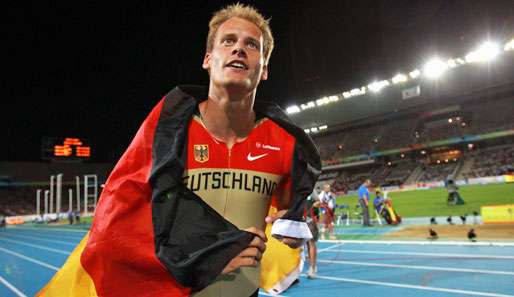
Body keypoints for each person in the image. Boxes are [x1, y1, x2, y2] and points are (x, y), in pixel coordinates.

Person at [38, 4, 321, 297]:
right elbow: (123, 221)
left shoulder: (286, 144)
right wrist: (209, 259)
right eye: (228, 40)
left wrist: (290, 236)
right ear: (208, 60)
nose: (239, 49)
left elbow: (285, 219)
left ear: (264, 70)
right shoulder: (167, 133)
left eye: (252, 44)